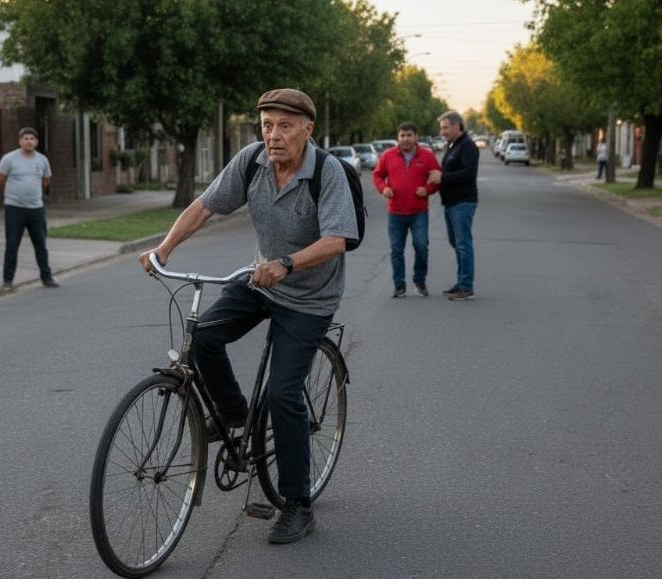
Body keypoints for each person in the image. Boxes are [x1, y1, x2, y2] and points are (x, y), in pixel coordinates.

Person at [139, 88, 357, 545]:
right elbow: (204, 206)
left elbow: (337, 238)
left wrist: (288, 263)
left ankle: (298, 503)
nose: (273, 135)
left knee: (283, 394)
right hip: (260, 282)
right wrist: (165, 247)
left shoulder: (327, 172)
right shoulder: (252, 161)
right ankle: (233, 413)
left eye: (284, 126)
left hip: (309, 297)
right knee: (201, 338)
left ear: (307, 129)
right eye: (266, 125)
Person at [372, 122, 441, 298]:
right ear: (398, 138)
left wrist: (428, 189)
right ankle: (399, 285)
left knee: (421, 247)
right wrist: (383, 189)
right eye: (402, 135)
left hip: (419, 212)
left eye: (409, 135)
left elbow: (436, 177)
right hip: (395, 212)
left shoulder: (427, 156)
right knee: (396, 250)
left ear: (416, 137)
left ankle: (419, 281)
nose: (405, 139)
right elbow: (377, 175)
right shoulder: (388, 156)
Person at [0, 127, 58, 290]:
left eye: (32, 138)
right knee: (12, 245)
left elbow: (46, 180)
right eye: (25, 138)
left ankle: (47, 277)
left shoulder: (42, 160)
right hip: (14, 208)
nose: (29, 141)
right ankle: (7, 281)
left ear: (36, 142)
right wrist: (15, 192)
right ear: (20, 141)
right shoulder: (9, 159)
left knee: (41, 245)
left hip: (36, 209)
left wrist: (32, 192)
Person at [429, 111, 479, 301]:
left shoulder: (467, 146)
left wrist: (443, 177)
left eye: (445, 127)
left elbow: (468, 173)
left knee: (463, 244)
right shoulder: (453, 145)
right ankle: (461, 282)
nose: (442, 132)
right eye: (441, 127)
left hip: (463, 202)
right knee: (456, 243)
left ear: (458, 126)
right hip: (451, 203)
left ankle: (467, 287)